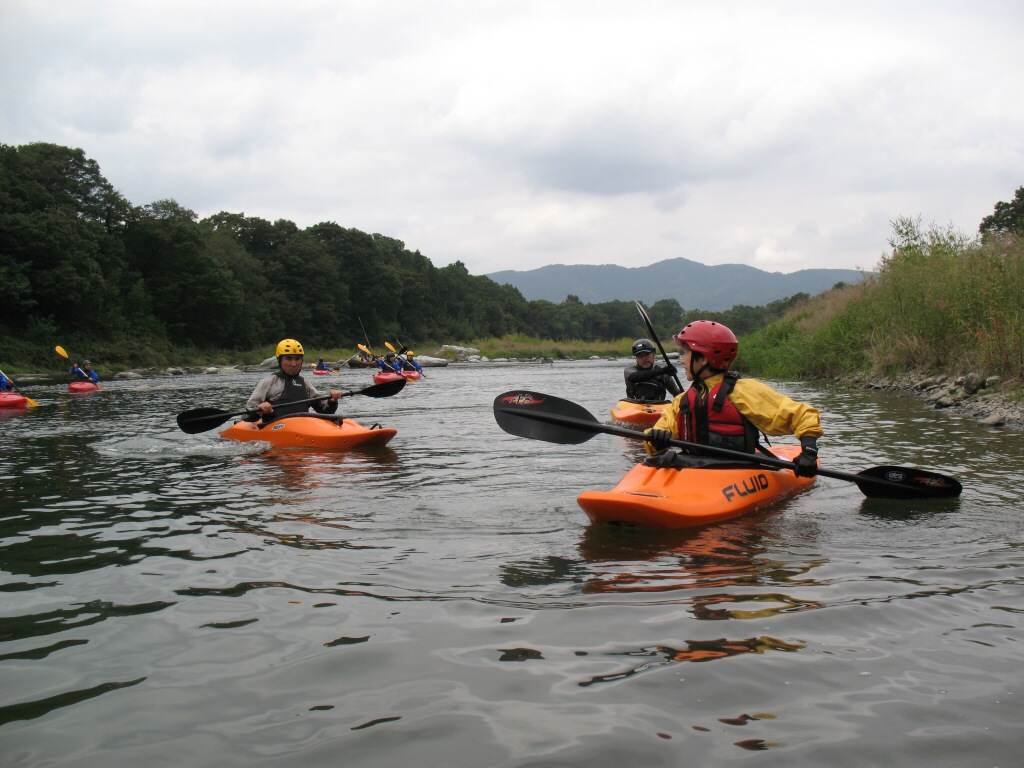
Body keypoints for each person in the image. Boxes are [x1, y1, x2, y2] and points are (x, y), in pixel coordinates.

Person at [644, 320, 822, 477]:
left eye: (686, 353)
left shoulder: (743, 391)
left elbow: (803, 415)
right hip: (693, 469)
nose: (682, 360)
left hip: (739, 469)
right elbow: (653, 446)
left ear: (703, 358)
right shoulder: (681, 401)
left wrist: (809, 452)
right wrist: (657, 439)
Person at [245, 339, 343, 422]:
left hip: (302, 430)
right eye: (288, 359)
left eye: (297, 359)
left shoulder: (305, 384)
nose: (294, 364)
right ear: (280, 360)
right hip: (275, 429)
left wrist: (332, 401)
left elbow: (325, 411)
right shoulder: (268, 382)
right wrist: (259, 410)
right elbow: (246, 416)